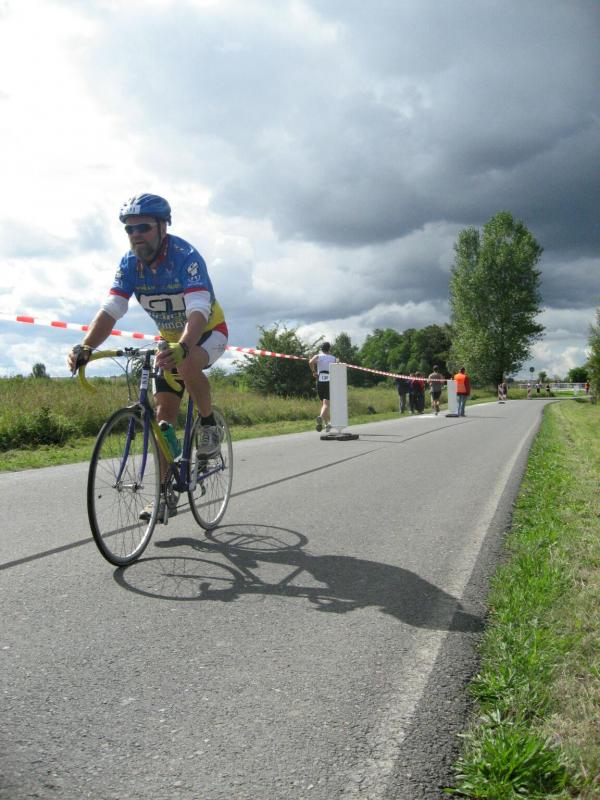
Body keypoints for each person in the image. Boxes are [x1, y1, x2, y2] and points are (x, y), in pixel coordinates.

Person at [67, 193, 228, 518]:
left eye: (143, 227)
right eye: (130, 229)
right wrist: (87, 346)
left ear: (163, 227)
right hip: (170, 340)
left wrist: (184, 345)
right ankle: (165, 493)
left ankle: (209, 424)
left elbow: (198, 309)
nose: (136, 234)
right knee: (163, 418)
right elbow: (112, 309)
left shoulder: (186, 257)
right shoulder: (130, 264)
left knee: (186, 361)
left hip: (207, 333)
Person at [308, 342, 337, 431]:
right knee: (326, 404)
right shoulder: (333, 358)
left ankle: (327, 424)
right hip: (329, 381)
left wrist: (314, 372)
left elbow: (310, 362)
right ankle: (321, 418)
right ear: (329, 349)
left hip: (320, 381)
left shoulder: (318, 356)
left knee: (324, 404)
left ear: (321, 349)